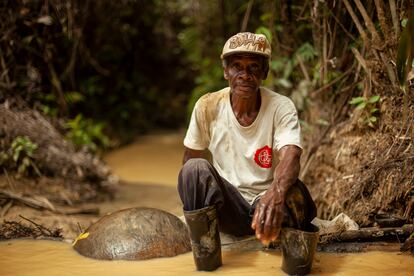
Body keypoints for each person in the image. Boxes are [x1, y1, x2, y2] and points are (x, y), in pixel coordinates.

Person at [178, 32, 317, 271]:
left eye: (254, 67)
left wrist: (275, 193)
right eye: (237, 67)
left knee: (294, 191)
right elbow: (189, 165)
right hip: (229, 208)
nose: (245, 75)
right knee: (194, 170)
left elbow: (291, 155)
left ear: (265, 73)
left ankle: (296, 268)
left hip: (271, 208)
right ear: (225, 72)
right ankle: (207, 264)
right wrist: (197, 211)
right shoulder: (208, 106)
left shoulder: (280, 106)